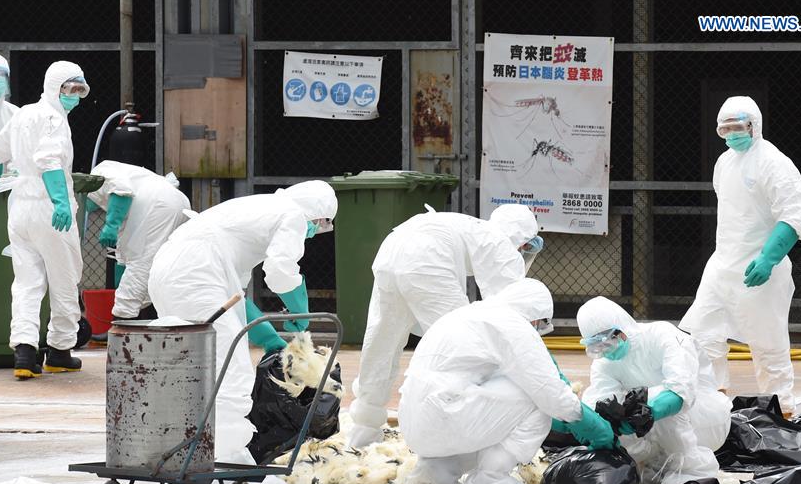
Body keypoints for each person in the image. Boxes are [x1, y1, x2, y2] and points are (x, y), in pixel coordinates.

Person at [147, 180, 337, 466]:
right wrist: (301, 313)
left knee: (193, 370)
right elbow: (281, 272)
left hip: (170, 272)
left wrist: (269, 337)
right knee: (231, 374)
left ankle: (187, 452)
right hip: (196, 275)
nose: (312, 234)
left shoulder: (255, 212)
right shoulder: (293, 216)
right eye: (319, 226)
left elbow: (233, 299)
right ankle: (233, 464)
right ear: (317, 215)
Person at [398, 279, 615, 484]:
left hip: (414, 424)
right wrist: (590, 424)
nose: (538, 331)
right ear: (535, 315)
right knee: (537, 398)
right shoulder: (514, 324)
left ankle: (433, 477)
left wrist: (563, 423)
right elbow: (550, 393)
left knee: (486, 397)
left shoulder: (466, 315)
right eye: (540, 325)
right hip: (450, 413)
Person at [348, 204, 543, 448]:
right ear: (523, 239)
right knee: (463, 345)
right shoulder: (499, 243)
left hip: (391, 251)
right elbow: (509, 309)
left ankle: (363, 429)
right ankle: (455, 433)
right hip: (427, 259)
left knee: (382, 340)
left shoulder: (469, 227)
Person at [679, 96, 801, 418]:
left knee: (768, 343)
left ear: (754, 125)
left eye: (737, 128)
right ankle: (713, 404)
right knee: (703, 335)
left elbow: (793, 214)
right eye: (724, 130)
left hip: (759, 267)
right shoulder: (724, 163)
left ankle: (782, 410)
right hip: (722, 264)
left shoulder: (774, 163)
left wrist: (769, 257)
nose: (731, 135)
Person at [0, 61, 90, 380]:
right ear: (56, 87)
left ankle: (25, 353)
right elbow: (48, 160)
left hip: (19, 210)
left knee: (27, 283)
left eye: (80, 90)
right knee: (64, 278)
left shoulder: (23, 113)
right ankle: (59, 350)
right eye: (70, 89)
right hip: (47, 208)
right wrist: (59, 201)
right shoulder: (54, 119)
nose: (75, 97)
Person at [577, 296, 731, 484]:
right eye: (597, 348)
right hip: (658, 427)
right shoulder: (604, 363)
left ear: (621, 331)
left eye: (607, 343)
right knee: (607, 414)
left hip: (705, 418)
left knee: (652, 398)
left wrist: (649, 411)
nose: (604, 352)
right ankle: (654, 466)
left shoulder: (662, 335)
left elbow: (681, 390)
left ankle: (693, 470)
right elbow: (599, 400)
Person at [87, 160, 191, 320]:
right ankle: (160, 316)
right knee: (165, 264)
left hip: (158, 205)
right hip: (177, 202)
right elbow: (123, 253)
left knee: (140, 262)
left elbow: (122, 191)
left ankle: (123, 319)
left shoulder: (100, 171)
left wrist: (111, 225)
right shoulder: (129, 176)